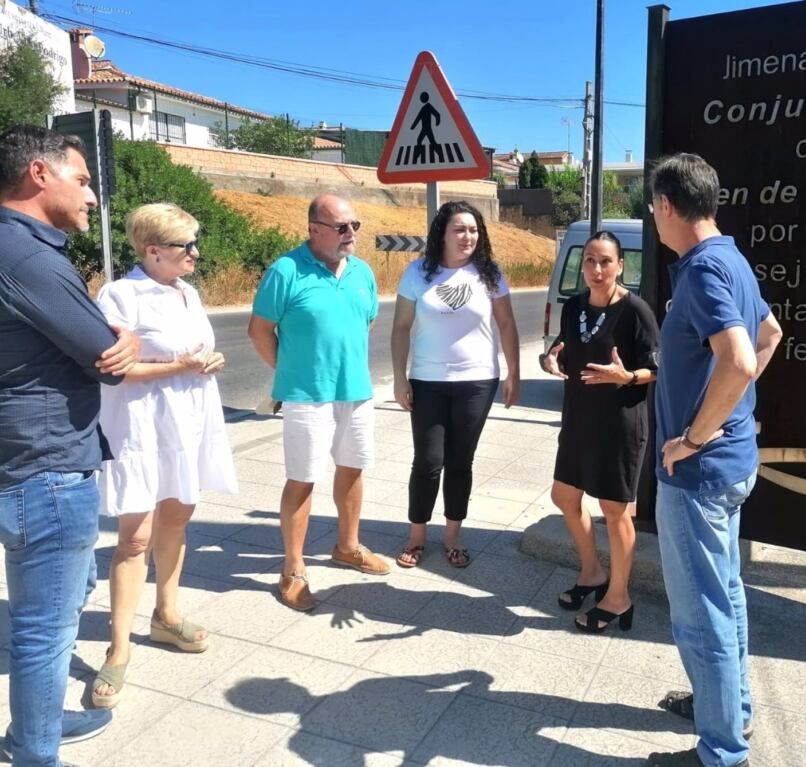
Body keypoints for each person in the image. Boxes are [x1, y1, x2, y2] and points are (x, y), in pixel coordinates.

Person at [0, 125, 141, 765]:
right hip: (48, 468)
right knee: (46, 630)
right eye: (81, 180)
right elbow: (104, 354)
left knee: (55, 603)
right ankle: (35, 752)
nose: (91, 196)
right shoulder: (29, 255)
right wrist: (123, 340)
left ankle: (41, 723)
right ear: (38, 174)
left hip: (26, 460)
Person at [643, 154, 783, 767]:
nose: (652, 217)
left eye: (652, 207)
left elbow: (741, 360)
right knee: (725, 593)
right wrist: (734, 412)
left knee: (701, 615)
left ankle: (721, 752)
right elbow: (771, 334)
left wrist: (698, 435)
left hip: (699, 474)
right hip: (729, 466)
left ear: (668, 206)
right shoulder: (731, 258)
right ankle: (729, 710)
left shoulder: (701, 271)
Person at [90, 203, 239, 709]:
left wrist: (208, 361)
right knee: (135, 539)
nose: (196, 253)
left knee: (178, 517)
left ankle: (167, 615)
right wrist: (180, 365)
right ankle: (118, 647)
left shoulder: (188, 292)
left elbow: (198, 357)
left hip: (189, 422)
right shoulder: (120, 294)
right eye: (186, 246)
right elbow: (114, 370)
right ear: (152, 251)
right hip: (141, 427)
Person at [248, 193, 389, 612]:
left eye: (355, 226)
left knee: (352, 468)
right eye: (341, 227)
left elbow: (367, 321)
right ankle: (292, 570)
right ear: (314, 229)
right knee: (303, 478)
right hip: (307, 397)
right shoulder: (285, 270)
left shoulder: (362, 272)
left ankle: (347, 546)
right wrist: (291, 371)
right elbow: (259, 331)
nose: (351, 235)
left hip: (356, 391)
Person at [540, 231, 658, 634]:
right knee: (565, 496)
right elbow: (562, 348)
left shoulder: (635, 311)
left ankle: (619, 597)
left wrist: (627, 376)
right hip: (578, 419)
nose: (596, 268)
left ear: (620, 265)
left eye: (605, 261)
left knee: (615, 511)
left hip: (619, 424)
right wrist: (550, 358)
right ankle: (592, 572)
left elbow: (657, 368)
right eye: (589, 260)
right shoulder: (573, 308)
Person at [391, 200, 520, 569]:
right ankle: (417, 537)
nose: (468, 237)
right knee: (428, 461)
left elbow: (507, 325)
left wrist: (514, 373)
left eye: (474, 230)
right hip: (428, 379)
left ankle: (452, 536)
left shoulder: (490, 273)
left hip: (477, 381)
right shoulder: (418, 273)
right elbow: (401, 328)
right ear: (442, 234)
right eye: (459, 229)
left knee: (461, 460)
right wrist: (400, 378)